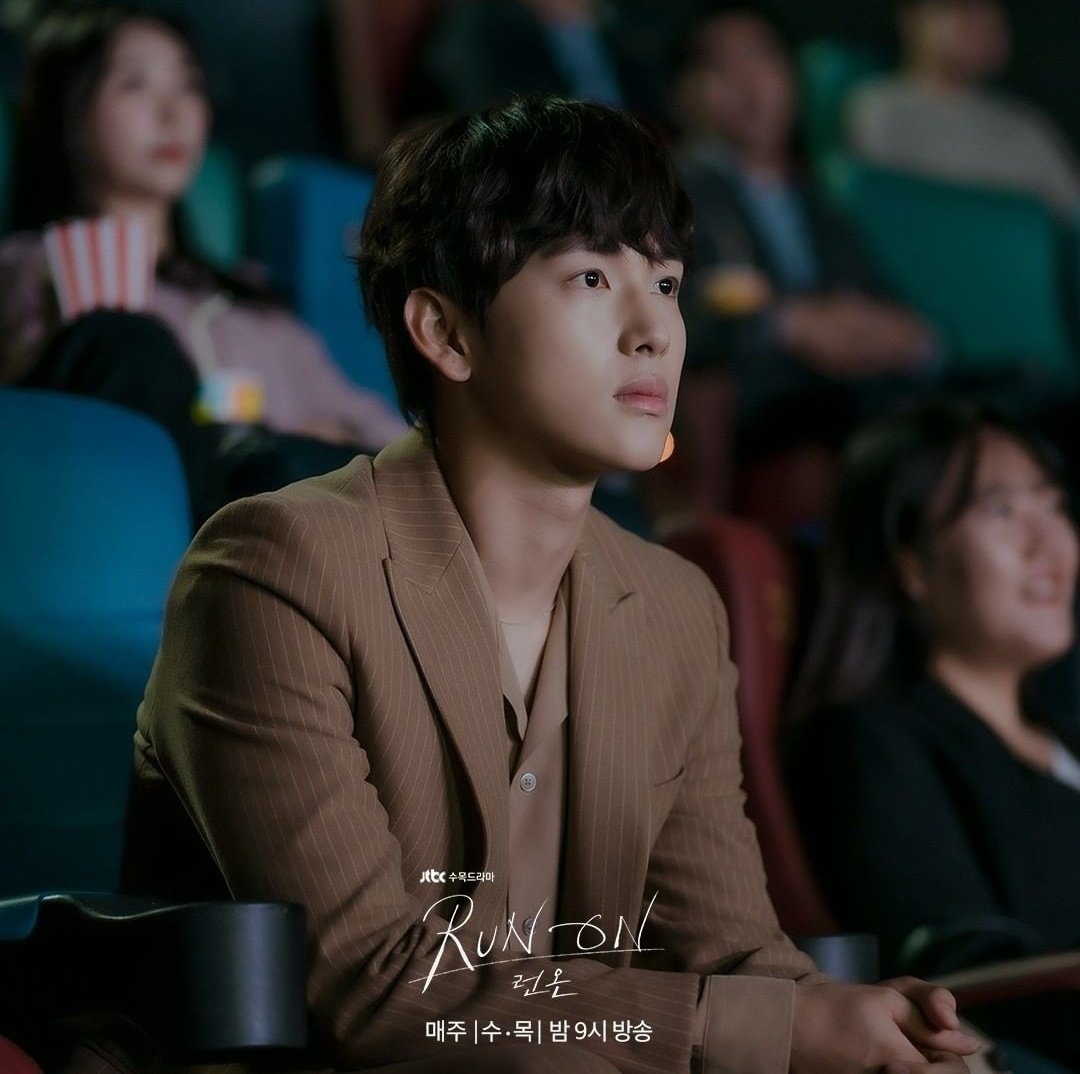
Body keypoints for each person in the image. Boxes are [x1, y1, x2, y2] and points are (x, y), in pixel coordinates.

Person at [99, 97, 985, 1074]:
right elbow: (370, 991)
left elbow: (732, 956)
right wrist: (761, 1028)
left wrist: (867, 1030)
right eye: (593, 277)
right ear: (447, 332)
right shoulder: (274, 569)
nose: (653, 331)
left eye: (667, 283)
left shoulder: (677, 607)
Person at [0, 3, 406, 523]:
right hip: (132, 516)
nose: (172, 112)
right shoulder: (30, 268)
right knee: (122, 341)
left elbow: (364, 420)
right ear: (68, 110)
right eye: (135, 84)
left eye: (189, 85)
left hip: (295, 512)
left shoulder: (251, 300)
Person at [789, 399, 1080, 1071]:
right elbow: (958, 971)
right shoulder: (874, 740)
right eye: (1002, 510)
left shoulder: (1062, 735)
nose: (1051, 544)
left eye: (1055, 506)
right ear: (911, 565)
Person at [672, 1, 937, 469]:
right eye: (718, 66)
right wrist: (787, 324)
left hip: (860, 393)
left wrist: (913, 338)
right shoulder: (676, 192)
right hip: (766, 408)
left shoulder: (822, 199)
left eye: (760, 57)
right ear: (685, 93)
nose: (746, 82)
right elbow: (678, 310)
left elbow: (888, 302)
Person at [849, 0, 1080, 214]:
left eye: (990, 12)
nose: (981, 23)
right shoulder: (881, 108)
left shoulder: (1025, 123)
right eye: (962, 9)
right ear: (911, 20)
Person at [408, 0, 665, 125]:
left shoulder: (619, 20)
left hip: (630, 162)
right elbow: (482, 112)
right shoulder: (479, 21)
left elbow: (655, 104)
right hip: (540, 171)